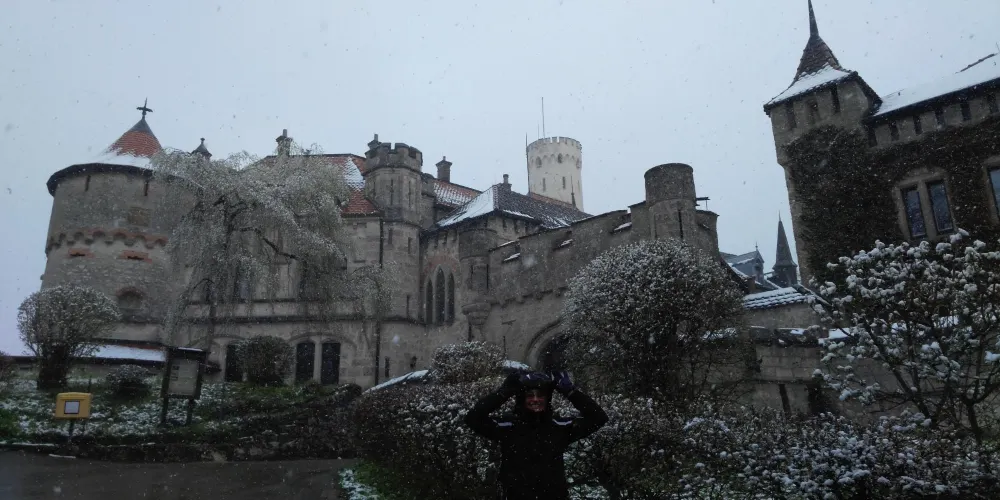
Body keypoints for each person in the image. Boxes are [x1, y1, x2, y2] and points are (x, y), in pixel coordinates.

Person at [465, 370, 608, 500]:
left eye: (540, 395)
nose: (535, 400)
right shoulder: (508, 427)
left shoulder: (560, 427)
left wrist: (571, 392)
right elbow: (473, 418)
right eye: (529, 396)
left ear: (547, 399)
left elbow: (598, 418)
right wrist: (503, 393)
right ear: (522, 399)